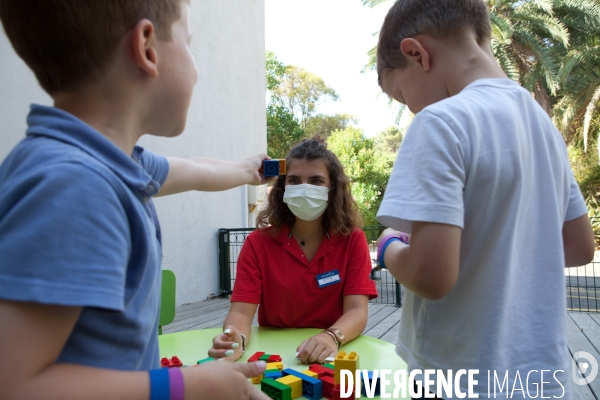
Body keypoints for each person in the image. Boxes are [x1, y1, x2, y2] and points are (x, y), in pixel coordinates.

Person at [0, 1, 271, 399]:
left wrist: (248, 170)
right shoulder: (76, 185)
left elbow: (197, 170)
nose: (196, 69)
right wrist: (187, 386)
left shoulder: (110, 162)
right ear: (147, 48)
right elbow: (15, 384)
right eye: (189, 43)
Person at [373, 0, 596, 398]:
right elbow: (579, 247)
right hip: (540, 374)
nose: (410, 110)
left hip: (457, 374)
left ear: (416, 54)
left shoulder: (440, 122)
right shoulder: (541, 126)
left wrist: (388, 245)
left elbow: (430, 277)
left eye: (402, 96)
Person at [208, 137, 378, 364]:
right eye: (295, 180)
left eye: (316, 181)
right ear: (283, 187)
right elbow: (240, 312)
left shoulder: (353, 240)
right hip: (273, 356)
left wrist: (331, 337)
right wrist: (235, 337)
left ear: (333, 188)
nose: (304, 189)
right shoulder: (257, 243)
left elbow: (357, 310)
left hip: (332, 353)